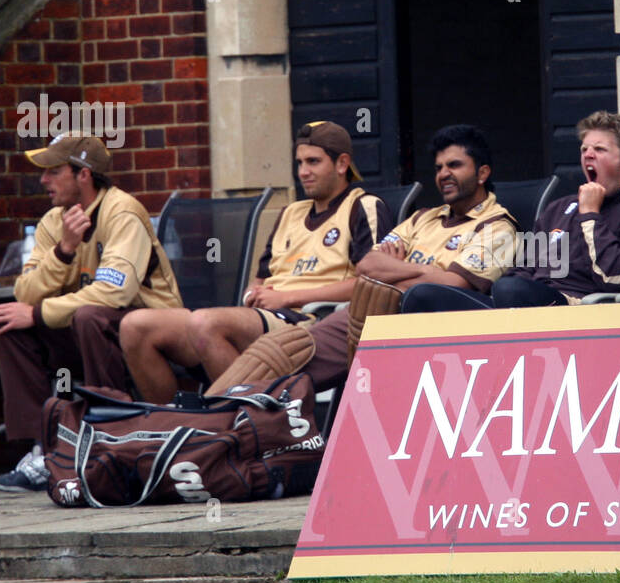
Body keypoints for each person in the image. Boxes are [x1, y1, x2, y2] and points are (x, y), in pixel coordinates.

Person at [205, 124, 518, 395]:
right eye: (438, 168)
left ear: (482, 173)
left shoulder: (497, 226)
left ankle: (218, 423)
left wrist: (397, 270)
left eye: (454, 165)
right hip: (368, 313)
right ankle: (207, 417)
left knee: (286, 364)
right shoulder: (423, 217)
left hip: (419, 330)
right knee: (275, 351)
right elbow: (368, 265)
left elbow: (453, 285)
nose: (443, 174)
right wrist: (422, 272)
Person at [119, 120, 390, 403]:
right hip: (265, 316)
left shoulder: (363, 206)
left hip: (310, 323)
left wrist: (287, 298)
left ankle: (248, 425)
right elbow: (261, 277)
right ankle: (173, 425)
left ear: (342, 163)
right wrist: (253, 293)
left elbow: (372, 285)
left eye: (313, 162)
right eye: (299, 163)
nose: (303, 172)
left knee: (206, 323)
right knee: (136, 327)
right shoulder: (290, 213)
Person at [0, 132, 182, 492]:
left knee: (89, 315)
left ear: (83, 174)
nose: (43, 180)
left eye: (53, 171)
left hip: (150, 330)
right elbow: (24, 291)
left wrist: (40, 314)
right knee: (9, 322)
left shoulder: (122, 212)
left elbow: (114, 292)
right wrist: (64, 251)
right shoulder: (53, 223)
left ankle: (107, 437)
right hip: (85, 331)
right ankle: (45, 452)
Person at [401, 111, 620, 311]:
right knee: (422, 295)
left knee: (512, 289)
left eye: (599, 149)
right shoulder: (559, 208)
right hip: (524, 303)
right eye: (584, 149)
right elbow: (524, 269)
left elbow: (617, 279)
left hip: (581, 311)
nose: (588, 155)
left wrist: (590, 216)